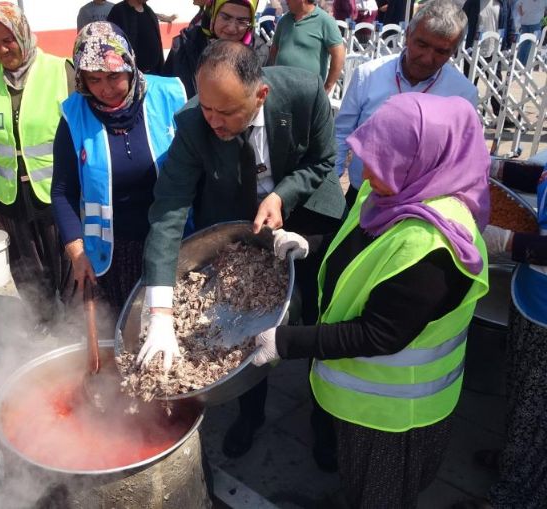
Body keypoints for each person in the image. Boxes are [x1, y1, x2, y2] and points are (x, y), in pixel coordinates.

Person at [253, 93, 490, 508]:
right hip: (362, 401)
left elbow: (380, 334)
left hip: (396, 418)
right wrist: (308, 245)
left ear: (424, 160)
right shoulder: (393, 192)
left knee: (382, 495)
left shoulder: (433, 246)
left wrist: (285, 342)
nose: (367, 172)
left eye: (382, 162)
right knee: (357, 481)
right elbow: (358, 243)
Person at [139, 40, 346, 458]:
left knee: (322, 316)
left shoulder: (305, 93)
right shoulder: (194, 122)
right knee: (248, 322)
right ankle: (250, 413)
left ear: (260, 95)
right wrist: (159, 307)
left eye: (227, 112)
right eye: (207, 109)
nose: (213, 121)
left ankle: (323, 417)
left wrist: (283, 196)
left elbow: (323, 161)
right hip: (240, 222)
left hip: (307, 216)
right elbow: (169, 208)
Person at [52, 22, 186, 312]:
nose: (105, 89)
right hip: (115, 252)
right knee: (128, 331)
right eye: (94, 79)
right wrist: (76, 252)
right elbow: (63, 191)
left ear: (130, 65)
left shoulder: (170, 96)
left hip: (175, 241)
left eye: (114, 76)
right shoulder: (74, 115)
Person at [0, 2, 74, 320]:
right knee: (27, 271)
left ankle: (76, 331)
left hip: (56, 194)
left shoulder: (59, 71)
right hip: (9, 197)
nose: (2, 49)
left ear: (23, 33)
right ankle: (43, 327)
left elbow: (81, 133)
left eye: (8, 39)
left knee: (67, 268)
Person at [456, 160, 547, 508]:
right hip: (532, 300)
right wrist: (491, 166)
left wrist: (505, 242)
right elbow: (538, 175)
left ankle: (514, 497)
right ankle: (516, 461)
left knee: (538, 409)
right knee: (523, 392)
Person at [335, 0, 477, 206]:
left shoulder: (462, 94)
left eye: (441, 51)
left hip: (420, 205)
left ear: (454, 50)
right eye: (422, 44)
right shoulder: (368, 75)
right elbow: (341, 134)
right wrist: (332, 187)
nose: (428, 58)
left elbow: (459, 159)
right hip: (361, 196)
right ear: (408, 34)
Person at [163, 0, 260, 97]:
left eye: (242, 21)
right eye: (225, 17)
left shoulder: (259, 52)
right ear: (213, 14)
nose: (231, 28)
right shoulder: (184, 46)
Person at [267, 0, 345, 95]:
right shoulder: (284, 21)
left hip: (308, 95)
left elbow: (339, 55)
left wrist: (327, 87)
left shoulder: (325, 21)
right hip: (280, 91)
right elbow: (274, 51)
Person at [107, 0, 165, 73]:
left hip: (154, 71)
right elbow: (111, 43)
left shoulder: (148, 10)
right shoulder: (118, 11)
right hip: (132, 73)